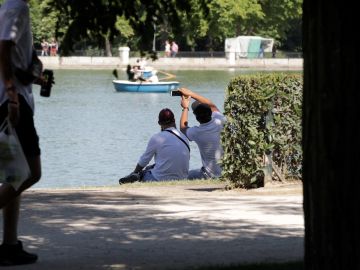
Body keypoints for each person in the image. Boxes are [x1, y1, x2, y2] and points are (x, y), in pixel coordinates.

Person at [0, 0, 42, 265]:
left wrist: (34, 69)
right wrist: (13, 95)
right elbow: (3, 50)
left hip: (11, 101)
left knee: (13, 176)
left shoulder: (9, 7)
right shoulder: (17, 7)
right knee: (32, 173)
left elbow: (20, 57)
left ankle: (9, 245)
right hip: (11, 105)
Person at [119, 108, 190, 184]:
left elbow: (144, 160)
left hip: (160, 179)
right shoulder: (184, 137)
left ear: (159, 123)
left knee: (144, 172)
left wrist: (135, 172)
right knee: (152, 167)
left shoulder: (157, 138)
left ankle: (137, 175)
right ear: (174, 120)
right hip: (182, 178)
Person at [178, 88, 226, 179]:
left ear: (196, 118)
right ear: (210, 113)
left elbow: (183, 128)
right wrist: (191, 93)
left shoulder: (197, 132)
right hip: (227, 172)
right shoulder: (220, 120)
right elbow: (212, 105)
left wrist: (185, 108)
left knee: (185, 175)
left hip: (209, 175)